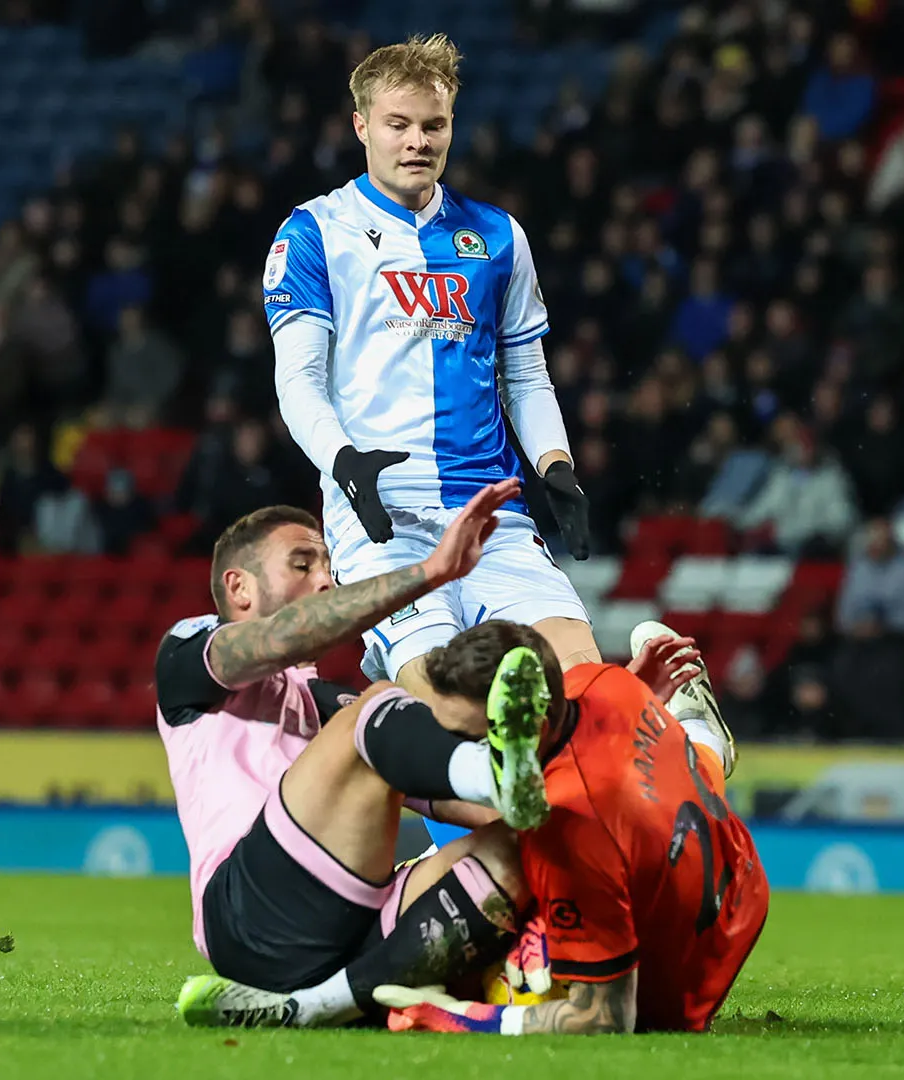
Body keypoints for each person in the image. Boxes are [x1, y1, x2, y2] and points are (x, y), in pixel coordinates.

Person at [261, 37, 729, 764]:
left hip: (494, 513)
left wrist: (555, 467)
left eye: (435, 125)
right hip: (385, 521)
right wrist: (345, 462)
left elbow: (526, 371)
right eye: (399, 124)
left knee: (580, 685)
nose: (418, 141)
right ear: (361, 127)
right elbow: (298, 380)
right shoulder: (314, 233)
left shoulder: (498, 235)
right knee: (447, 716)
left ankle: (695, 742)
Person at [158, 481, 556, 1025]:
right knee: (379, 704)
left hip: (343, 931)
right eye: (302, 565)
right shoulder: (188, 657)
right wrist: (432, 572)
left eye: (326, 564)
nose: (326, 579)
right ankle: (491, 771)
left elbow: (446, 798)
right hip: (249, 919)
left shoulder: (325, 707)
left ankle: (321, 1007)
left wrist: (560, 812)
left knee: (518, 847)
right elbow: (277, 640)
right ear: (239, 587)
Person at [370, 621, 771, 1034]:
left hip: (690, 982)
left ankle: (704, 737)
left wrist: (454, 1015)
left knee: (487, 953)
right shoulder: (602, 682)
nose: (460, 755)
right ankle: (701, 735)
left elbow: (604, 1017)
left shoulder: (565, 832)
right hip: (742, 882)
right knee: (662, 779)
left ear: (522, 724)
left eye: (470, 739)